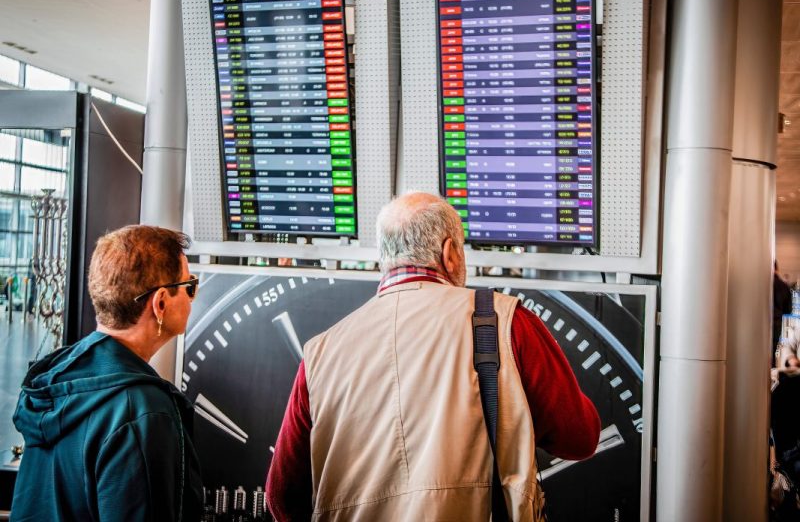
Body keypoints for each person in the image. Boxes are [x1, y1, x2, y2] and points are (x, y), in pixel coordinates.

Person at [266, 193, 600, 521]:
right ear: (450, 253)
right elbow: (579, 438)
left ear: (384, 258)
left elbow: (281, 499)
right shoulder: (506, 323)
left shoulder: (321, 353)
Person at [11, 225, 203, 521]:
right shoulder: (143, 411)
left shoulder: (55, 379)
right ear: (161, 302)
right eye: (189, 286)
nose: (192, 297)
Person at [774, 261, 793, 364]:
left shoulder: (760, 284)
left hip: (759, 325)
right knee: (771, 351)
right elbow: (788, 310)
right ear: (777, 268)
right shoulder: (784, 286)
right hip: (776, 323)